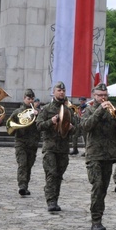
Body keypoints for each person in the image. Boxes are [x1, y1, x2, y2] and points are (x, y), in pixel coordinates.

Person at [81, 83, 116, 230]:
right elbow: (86, 126)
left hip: (109, 155)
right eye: (99, 95)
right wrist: (99, 110)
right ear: (94, 96)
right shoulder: (89, 110)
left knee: (103, 188)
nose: (103, 98)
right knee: (97, 186)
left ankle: (99, 216)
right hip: (94, 155)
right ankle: (96, 220)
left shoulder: (112, 110)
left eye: (105, 95)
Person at [35, 81, 79, 212]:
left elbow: (77, 129)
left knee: (59, 174)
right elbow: (38, 125)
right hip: (50, 147)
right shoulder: (47, 109)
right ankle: (51, 200)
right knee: (52, 173)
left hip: (63, 148)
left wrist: (71, 128)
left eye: (63, 91)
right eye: (59, 90)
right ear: (53, 92)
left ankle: (55, 198)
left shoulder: (68, 111)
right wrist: (51, 121)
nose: (61, 92)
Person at [8, 89, 40, 196]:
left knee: (29, 165)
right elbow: (9, 124)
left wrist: (37, 116)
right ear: (24, 99)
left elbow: (41, 126)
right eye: (28, 99)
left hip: (33, 143)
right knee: (22, 164)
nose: (30, 101)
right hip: (21, 141)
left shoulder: (37, 112)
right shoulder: (18, 112)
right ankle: (21, 185)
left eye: (32, 99)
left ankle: (25, 185)